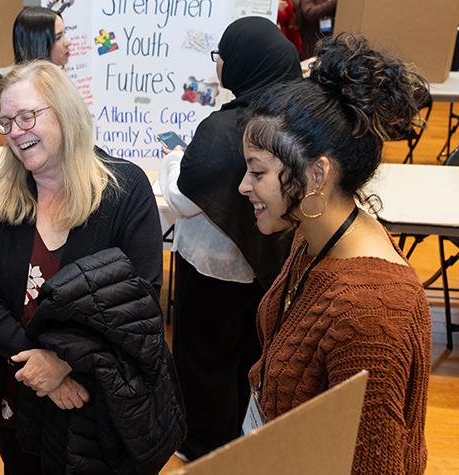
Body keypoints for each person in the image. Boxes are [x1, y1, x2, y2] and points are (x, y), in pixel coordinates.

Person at [0, 61, 182, 474]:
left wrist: (62, 364)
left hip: (95, 404)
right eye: (6, 121)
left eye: (28, 116)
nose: (16, 131)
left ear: (64, 111)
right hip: (18, 388)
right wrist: (36, 359)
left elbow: (139, 302)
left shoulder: (124, 190)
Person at [239, 34, 431, 474]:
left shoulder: (370, 315)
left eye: (257, 172)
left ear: (317, 173)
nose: (243, 187)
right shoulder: (315, 233)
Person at [160, 16, 301, 461]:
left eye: (219, 58)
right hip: (271, 266)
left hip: (212, 266)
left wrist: (173, 159)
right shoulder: (295, 119)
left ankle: (202, 448)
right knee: (252, 351)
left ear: (240, 63)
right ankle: (246, 439)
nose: (217, 67)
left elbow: (183, 198)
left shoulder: (225, 129)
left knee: (204, 359)